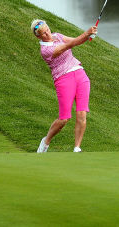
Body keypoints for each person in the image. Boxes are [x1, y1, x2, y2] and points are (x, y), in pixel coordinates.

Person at [31, 19, 99, 153]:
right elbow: (68, 46)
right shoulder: (45, 50)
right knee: (64, 119)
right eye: (44, 34)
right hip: (63, 79)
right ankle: (45, 142)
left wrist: (88, 36)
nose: (48, 34)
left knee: (82, 113)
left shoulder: (57, 36)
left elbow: (75, 40)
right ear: (38, 36)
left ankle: (77, 147)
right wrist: (86, 33)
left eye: (48, 30)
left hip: (79, 73)